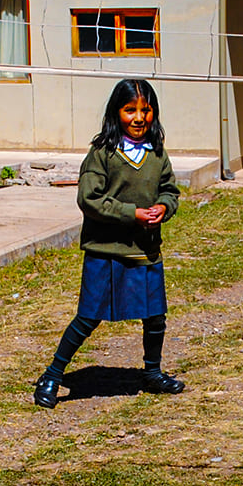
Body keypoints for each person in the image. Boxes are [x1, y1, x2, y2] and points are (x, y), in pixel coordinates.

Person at [33, 79, 185, 408]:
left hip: (145, 250)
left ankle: (152, 372)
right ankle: (53, 375)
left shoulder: (157, 153)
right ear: (116, 113)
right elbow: (89, 199)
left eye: (146, 110)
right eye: (130, 110)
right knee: (88, 317)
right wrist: (132, 214)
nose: (139, 117)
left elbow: (170, 191)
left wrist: (164, 207)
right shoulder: (102, 153)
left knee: (155, 317)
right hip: (106, 251)